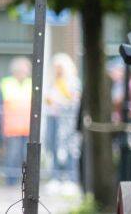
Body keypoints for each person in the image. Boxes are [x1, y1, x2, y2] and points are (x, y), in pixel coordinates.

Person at [45, 53, 80, 186]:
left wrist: (60, 101)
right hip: (53, 117)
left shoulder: (73, 81)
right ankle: (56, 177)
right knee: (52, 145)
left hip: (67, 120)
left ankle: (71, 178)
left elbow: (74, 99)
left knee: (70, 147)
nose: (57, 70)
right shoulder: (52, 81)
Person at [0, 56, 32, 186]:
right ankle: (10, 181)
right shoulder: (7, 83)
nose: (25, 73)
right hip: (12, 128)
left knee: (26, 155)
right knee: (12, 155)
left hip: (28, 127)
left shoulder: (31, 83)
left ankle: (26, 181)